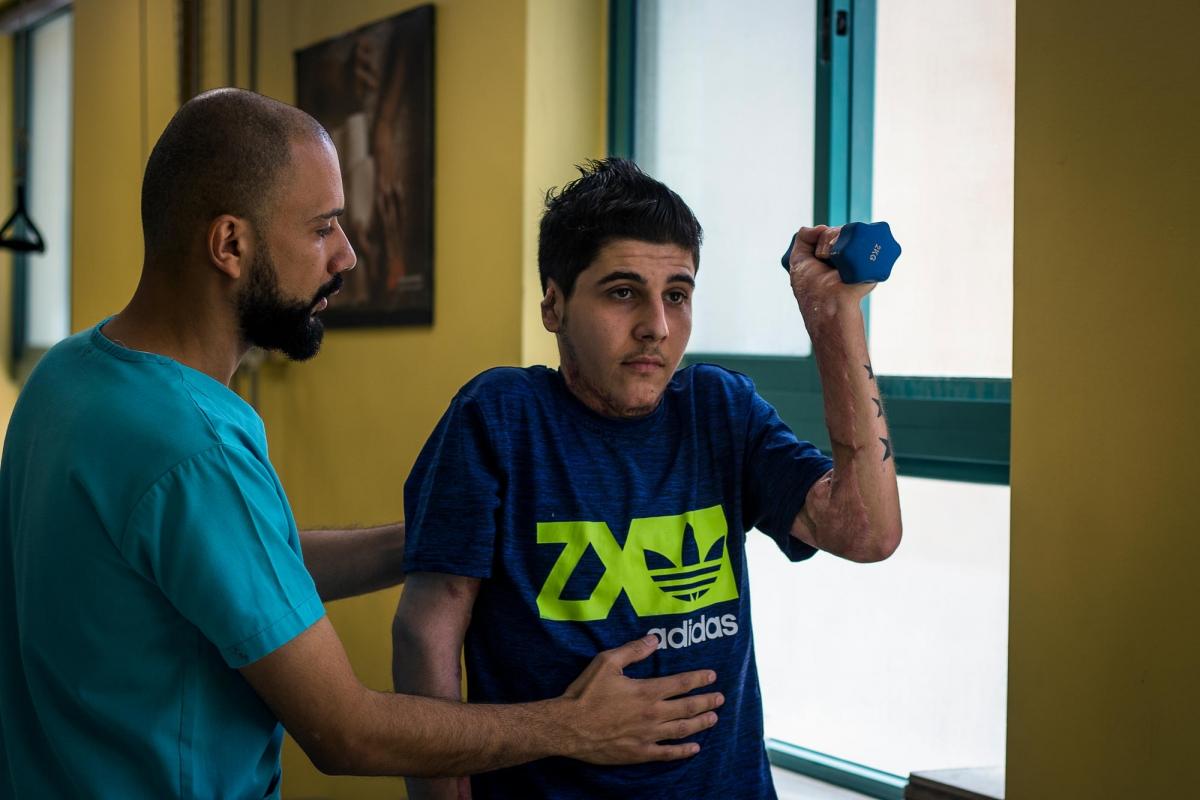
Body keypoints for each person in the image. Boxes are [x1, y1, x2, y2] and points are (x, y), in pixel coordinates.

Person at [0, 91, 722, 798]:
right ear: (230, 245)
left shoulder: (70, 378)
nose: (346, 255)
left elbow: (235, 564)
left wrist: (439, 539)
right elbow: (347, 733)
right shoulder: (193, 449)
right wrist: (573, 725)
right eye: (322, 229)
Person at [394, 158, 903, 799]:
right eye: (622, 292)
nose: (656, 327)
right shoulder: (499, 418)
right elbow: (426, 633)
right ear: (553, 305)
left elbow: (868, 532)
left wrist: (834, 318)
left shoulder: (719, 409)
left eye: (677, 295)